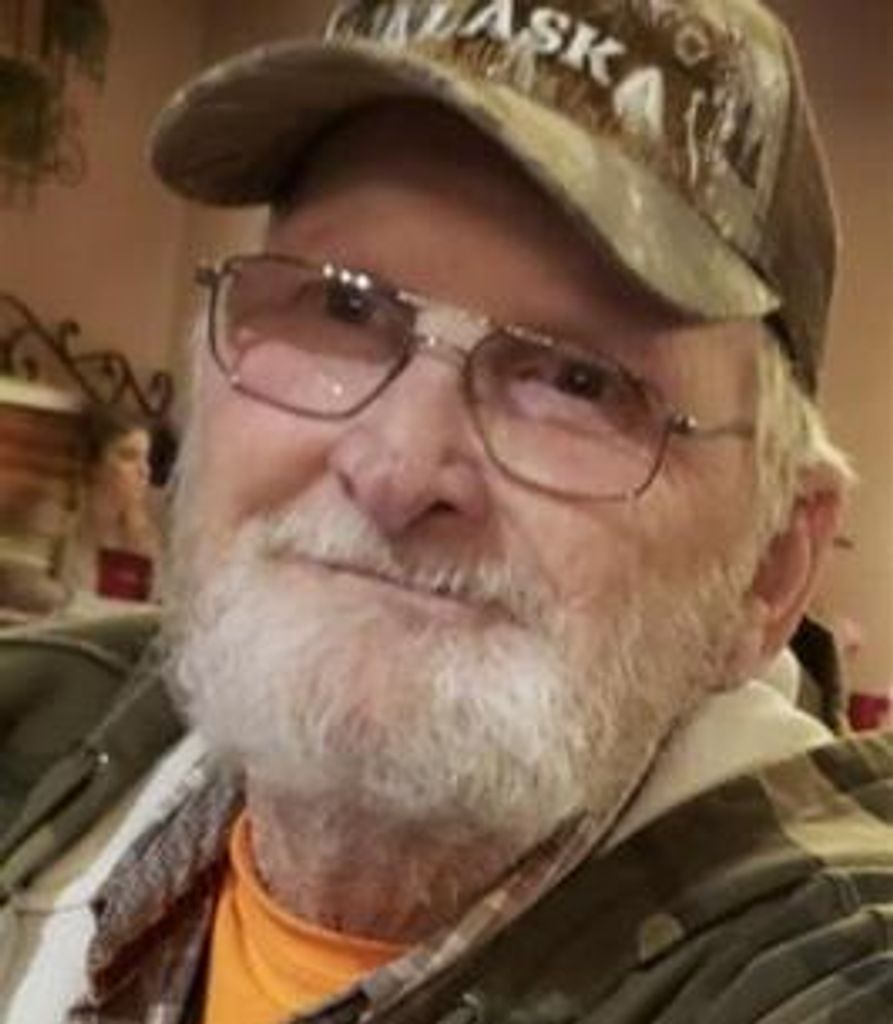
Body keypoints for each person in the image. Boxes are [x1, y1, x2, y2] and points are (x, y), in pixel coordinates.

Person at [7, 0, 893, 1021]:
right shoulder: (38, 725)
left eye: (577, 379)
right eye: (343, 304)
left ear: (768, 568)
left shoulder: (826, 973)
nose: (395, 469)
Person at [61, 406, 161, 601]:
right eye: (129, 456)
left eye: (146, 458)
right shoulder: (62, 526)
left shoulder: (156, 525)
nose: (144, 470)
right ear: (93, 466)